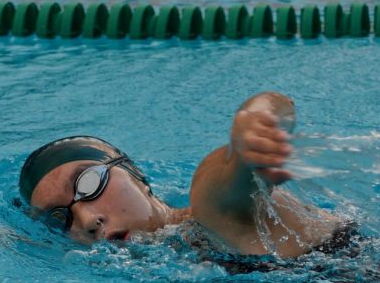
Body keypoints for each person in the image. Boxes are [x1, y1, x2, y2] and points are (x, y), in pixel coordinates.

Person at [18, 91, 348, 258]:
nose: (88, 220)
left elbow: (233, 168)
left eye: (88, 184)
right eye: (61, 217)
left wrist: (253, 126)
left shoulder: (209, 207)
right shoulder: (175, 258)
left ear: (135, 175)